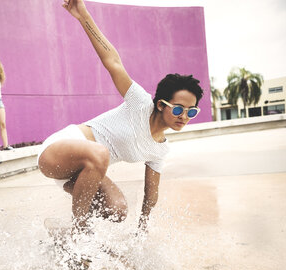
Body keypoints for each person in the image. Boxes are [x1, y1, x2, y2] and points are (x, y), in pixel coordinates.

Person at [38, 0, 204, 234]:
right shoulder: (140, 103)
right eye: (178, 109)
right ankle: (79, 234)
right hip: (57, 152)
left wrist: (142, 229)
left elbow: (151, 194)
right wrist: (83, 15)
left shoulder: (159, 150)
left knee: (117, 210)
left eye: (192, 112)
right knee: (100, 152)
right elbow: (112, 62)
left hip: (82, 175)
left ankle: (63, 231)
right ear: (160, 104)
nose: (184, 116)